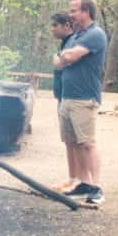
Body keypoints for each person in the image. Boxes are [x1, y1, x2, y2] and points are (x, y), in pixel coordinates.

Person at [53, 0, 107, 205]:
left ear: (86, 12)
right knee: (73, 143)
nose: (71, 14)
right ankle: (83, 184)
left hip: (84, 99)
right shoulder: (76, 36)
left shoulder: (95, 34)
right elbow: (58, 62)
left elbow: (68, 57)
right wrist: (63, 57)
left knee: (87, 143)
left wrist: (64, 57)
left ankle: (96, 188)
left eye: (74, 10)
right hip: (67, 98)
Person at [48, 12, 78, 192]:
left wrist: (57, 59)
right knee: (68, 141)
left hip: (71, 96)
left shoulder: (73, 41)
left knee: (76, 141)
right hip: (62, 96)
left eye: (55, 26)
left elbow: (60, 63)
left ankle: (78, 180)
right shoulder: (64, 43)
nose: (52, 29)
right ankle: (72, 178)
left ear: (66, 25)